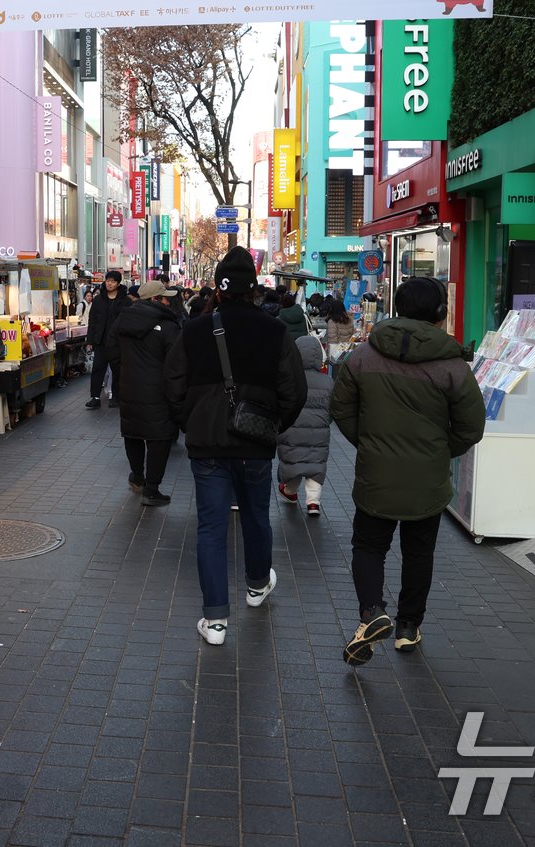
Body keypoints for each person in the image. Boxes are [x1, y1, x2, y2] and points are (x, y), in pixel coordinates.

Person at [329, 277, 485, 665]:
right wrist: (439, 452)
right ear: (440, 314)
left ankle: (371, 614)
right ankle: (407, 627)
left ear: (396, 308)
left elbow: (341, 409)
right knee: (419, 553)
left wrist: (369, 443)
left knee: (368, 545)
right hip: (427, 480)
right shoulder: (451, 366)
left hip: (375, 473)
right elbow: (471, 427)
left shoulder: (364, 356)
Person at [166, 246, 307, 646]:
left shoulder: (194, 330)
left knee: (210, 526)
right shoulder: (275, 331)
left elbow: (172, 384)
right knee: (256, 516)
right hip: (255, 443)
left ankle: (214, 621)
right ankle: (258, 586)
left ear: (219, 287)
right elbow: (294, 391)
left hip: (206, 442)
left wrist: (189, 422)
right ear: (255, 288)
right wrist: (274, 424)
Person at [114, 281, 182, 506]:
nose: (167, 301)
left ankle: (138, 477)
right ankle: (151, 489)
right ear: (155, 299)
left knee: (133, 432)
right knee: (158, 438)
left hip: (128, 385)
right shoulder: (168, 325)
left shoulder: (123, 320)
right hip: (157, 390)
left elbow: (113, 352)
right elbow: (176, 362)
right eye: (164, 297)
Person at [277, 335, 333, 516]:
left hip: (292, 429)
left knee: (294, 461)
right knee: (315, 464)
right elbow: (333, 408)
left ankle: (290, 491)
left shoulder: (289, 379)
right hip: (318, 431)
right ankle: (313, 503)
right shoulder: (328, 382)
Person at [86, 270, 129, 409]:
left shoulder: (125, 300)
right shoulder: (99, 299)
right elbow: (92, 320)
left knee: (117, 371)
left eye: (113, 281)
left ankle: (116, 397)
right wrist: (90, 341)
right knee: (98, 369)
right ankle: (95, 397)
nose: (109, 283)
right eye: (108, 280)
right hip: (101, 341)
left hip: (118, 342)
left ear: (118, 283)